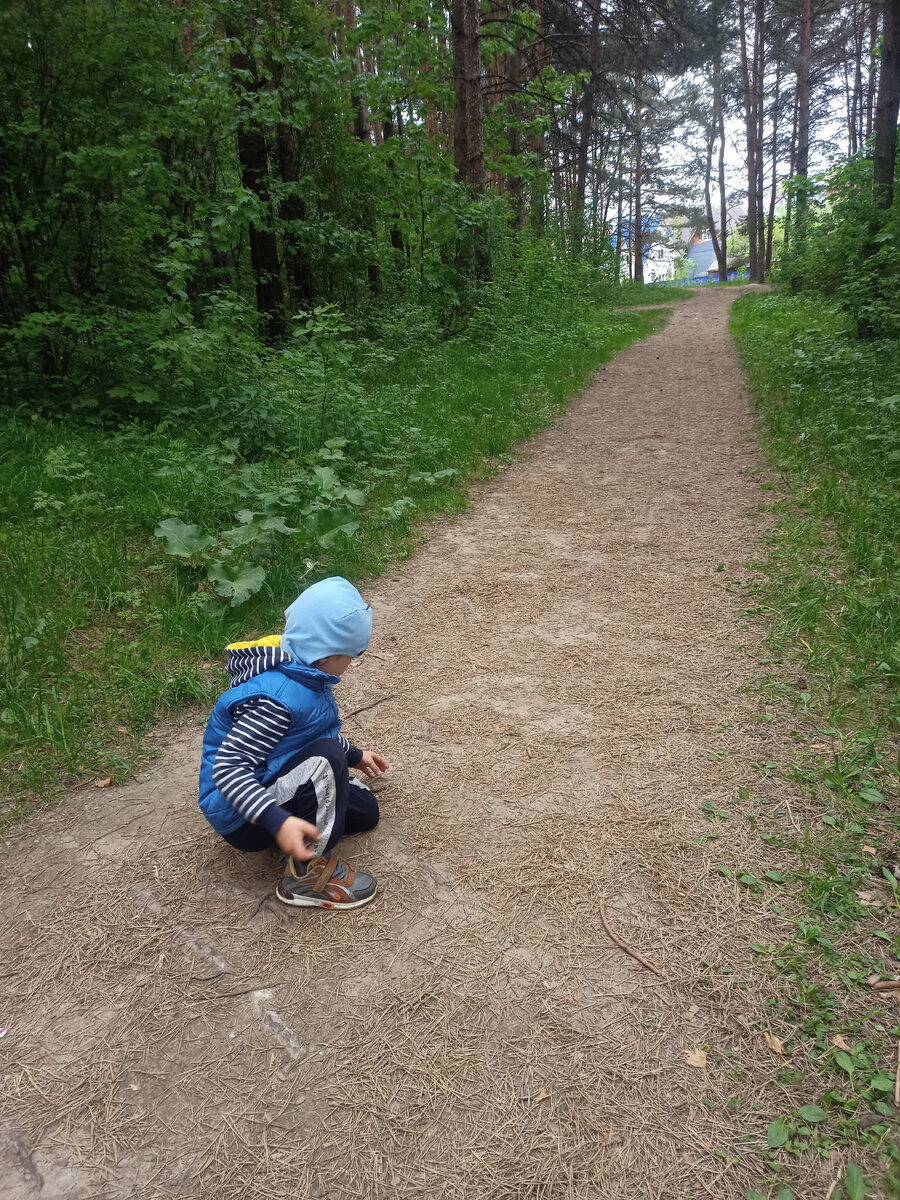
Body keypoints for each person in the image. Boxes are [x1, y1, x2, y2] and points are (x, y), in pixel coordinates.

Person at [198, 576, 388, 910]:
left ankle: (305, 818)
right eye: (351, 654)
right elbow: (227, 769)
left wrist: (355, 755)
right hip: (241, 815)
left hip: (269, 782)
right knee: (327, 761)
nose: (352, 663)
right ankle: (307, 875)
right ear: (326, 654)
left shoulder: (302, 668)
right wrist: (277, 820)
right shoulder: (277, 700)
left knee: (367, 812)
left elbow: (307, 735)